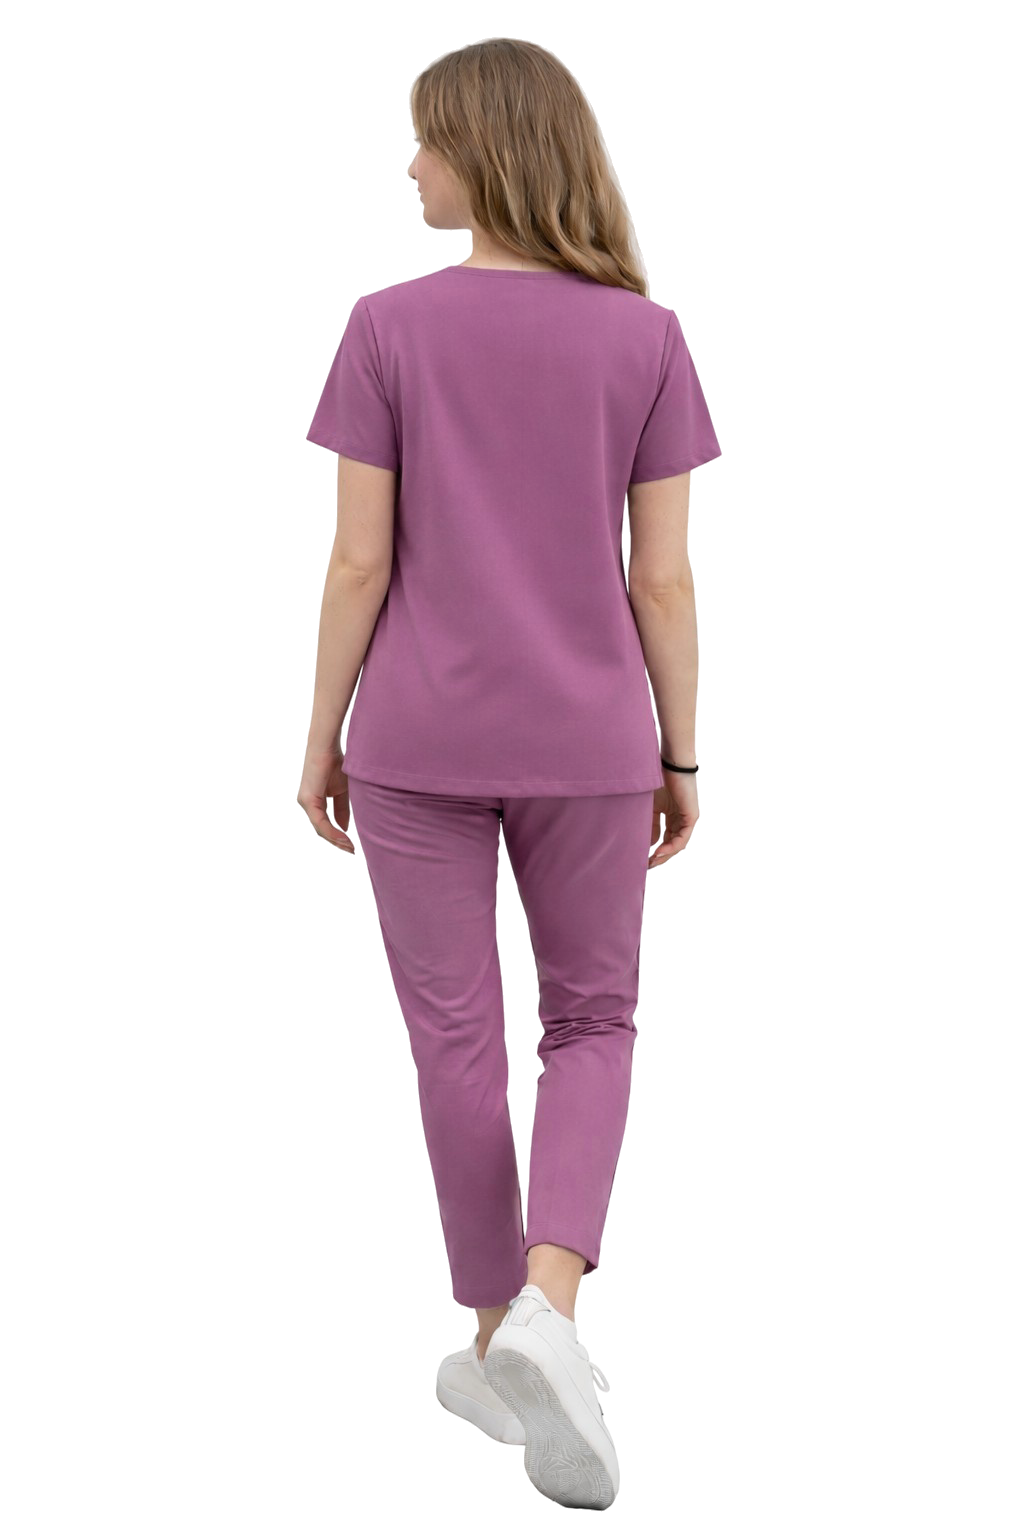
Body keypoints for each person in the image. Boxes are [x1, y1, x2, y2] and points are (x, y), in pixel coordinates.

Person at [296, 37, 721, 1511]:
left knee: (454, 1039)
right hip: (592, 740)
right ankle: (546, 1313)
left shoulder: (385, 328)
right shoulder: (646, 338)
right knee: (591, 1020)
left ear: (483, 150)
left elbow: (359, 562)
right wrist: (678, 749)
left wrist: (319, 735)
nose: (409, 165)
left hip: (416, 743)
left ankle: (494, 1332)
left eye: (426, 140)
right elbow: (662, 580)